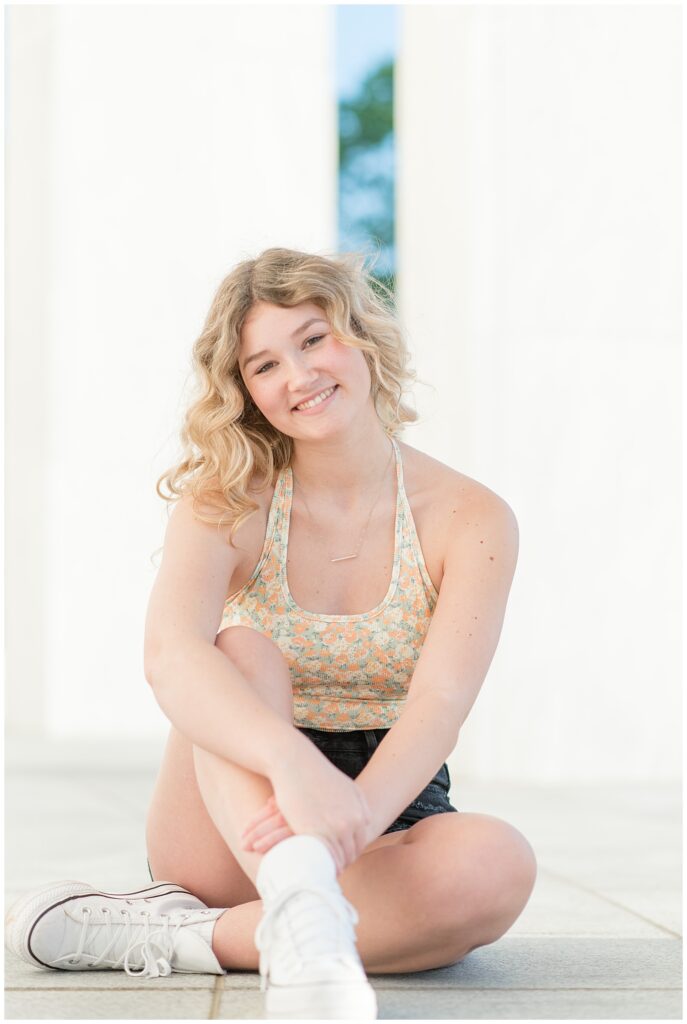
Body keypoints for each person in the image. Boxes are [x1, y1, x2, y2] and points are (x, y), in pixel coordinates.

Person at [5, 247, 537, 1020]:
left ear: (360, 336)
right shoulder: (227, 496)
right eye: (263, 365)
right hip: (227, 806)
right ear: (244, 391)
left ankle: (187, 937)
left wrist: (343, 819)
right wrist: (290, 763)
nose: (298, 377)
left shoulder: (469, 516)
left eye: (313, 340)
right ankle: (292, 913)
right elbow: (169, 655)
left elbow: (440, 702)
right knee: (240, 648)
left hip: (381, 806)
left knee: (495, 865)